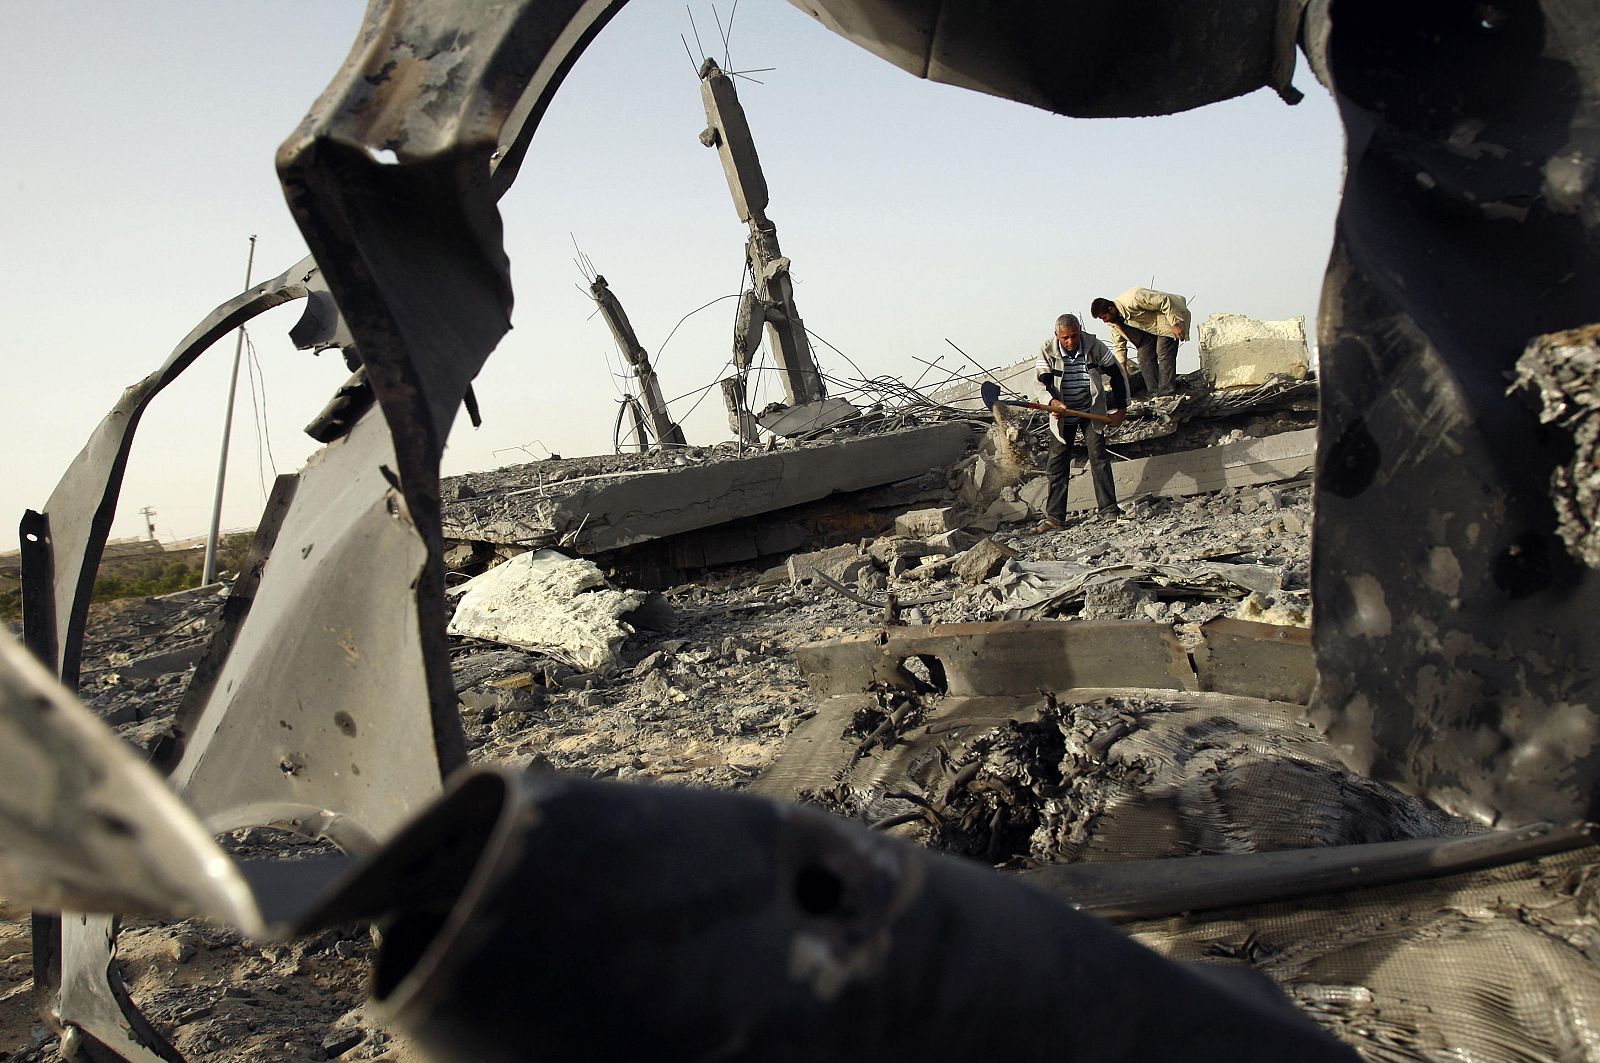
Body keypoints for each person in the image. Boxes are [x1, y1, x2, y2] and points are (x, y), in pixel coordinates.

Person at [1034, 313, 1129, 530]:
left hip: (1090, 410)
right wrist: (1052, 402)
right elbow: (1042, 384)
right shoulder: (1047, 350)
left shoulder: (1094, 346)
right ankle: (1055, 518)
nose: (1070, 342)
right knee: (1057, 463)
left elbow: (1117, 375)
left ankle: (1109, 511)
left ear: (1079, 332)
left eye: (1074, 336)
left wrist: (1121, 409)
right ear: (1057, 335)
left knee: (1099, 458)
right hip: (1062, 414)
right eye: (1065, 338)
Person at [1090, 287, 1191, 397]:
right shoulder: (1113, 322)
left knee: (1163, 353)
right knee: (1143, 358)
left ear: (1111, 309)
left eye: (1104, 317)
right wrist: (1122, 367)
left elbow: (1165, 300)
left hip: (1170, 318)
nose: (1105, 321)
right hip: (1150, 329)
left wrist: (1175, 323)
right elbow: (1119, 345)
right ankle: (1154, 394)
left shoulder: (1134, 297)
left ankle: (1167, 393)